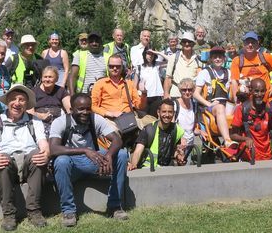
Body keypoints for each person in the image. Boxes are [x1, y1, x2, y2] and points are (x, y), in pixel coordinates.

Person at [50, 93, 129, 225]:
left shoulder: (95, 119)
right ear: (71, 110)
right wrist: (85, 150)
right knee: (61, 161)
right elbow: (53, 149)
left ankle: (115, 206)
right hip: (72, 165)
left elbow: (117, 139)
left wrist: (108, 155)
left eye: (88, 108)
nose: (85, 112)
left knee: (121, 154)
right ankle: (69, 211)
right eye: (80, 109)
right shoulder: (60, 122)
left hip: (94, 161)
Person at [0, 84, 49, 231]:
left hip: (29, 165)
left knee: (38, 155)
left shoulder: (35, 121)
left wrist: (46, 154)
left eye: (21, 99)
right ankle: (9, 214)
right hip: (8, 167)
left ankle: (34, 211)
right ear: (7, 102)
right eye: (13, 99)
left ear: (27, 103)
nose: (17, 103)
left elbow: (44, 145)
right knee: (1, 158)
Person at [230, 78, 272, 161]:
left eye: (262, 91)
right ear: (251, 91)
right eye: (256, 91)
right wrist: (245, 139)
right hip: (248, 157)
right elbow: (233, 135)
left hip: (267, 157)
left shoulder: (270, 110)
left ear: (266, 91)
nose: (259, 94)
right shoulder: (242, 109)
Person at [193, 46, 237, 147]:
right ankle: (227, 140)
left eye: (220, 57)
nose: (217, 59)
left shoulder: (228, 72)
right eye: (215, 57)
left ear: (224, 58)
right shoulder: (205, 73)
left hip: (227, 104)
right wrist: (208, 103)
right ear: (211, 59)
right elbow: (195, 93)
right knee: (220, 108)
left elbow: (234, 89)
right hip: (211, 105)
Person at [128, 99, 187, 169]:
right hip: (148, 169)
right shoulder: (149, 129)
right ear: (158, 113)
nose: (167, 115)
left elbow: (173, 151)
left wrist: (179, 157)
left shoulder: (177, 130)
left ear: (174, 113)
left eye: (170, 112)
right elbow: (138, 151)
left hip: (167, 169)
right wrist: (134, 165)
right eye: (164, 112)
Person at [230, 31, 272, 100]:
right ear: (244, 44)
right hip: (246, 100)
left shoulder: (265, 57)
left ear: (257, 44)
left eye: (253, 42)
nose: (250, 45)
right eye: (247, 42)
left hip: (266, 99)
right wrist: (237, 100)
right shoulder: (237, 60)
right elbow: (234, 82)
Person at [91, 54, 147, 120]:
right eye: (111, 66)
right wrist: (109, 113)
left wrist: (144, 94)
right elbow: (93, 106)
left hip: (128, 117)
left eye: (118, 66)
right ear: (108, 67)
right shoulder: (100, 83)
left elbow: (140, 107)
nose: (115, 68)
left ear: (122, 67)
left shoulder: (129, 84)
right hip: (108, 119)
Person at [29, 66, 71, 136]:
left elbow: (69, 108)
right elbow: (29, 111)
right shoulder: (33, 92)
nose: (47, 79)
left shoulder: (61, 91)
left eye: (50, 77)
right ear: (41, 78)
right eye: (45, 77)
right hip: (39, 124)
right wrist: (39, 115)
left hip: (58, 124)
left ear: (56, 79)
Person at [164, 32, 201, 99]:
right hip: (176, 95)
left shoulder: (198, 60)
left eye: (189, 42)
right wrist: (166, 94)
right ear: (181, 44)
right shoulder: (174, 58)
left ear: (193, 44)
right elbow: (168, 78)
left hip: (192, 96)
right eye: (184, 42)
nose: (187, 44)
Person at [133, 48, 165, 116]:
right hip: (144, 98)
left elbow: (171, 61)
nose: (150, 56)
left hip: (156, 97)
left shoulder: (157, 65)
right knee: (144, 120)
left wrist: (158, 53)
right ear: (144, 54)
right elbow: (134, 86)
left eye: (152, 54)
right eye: (148, 53)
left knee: (154, 120)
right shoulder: (139, 67)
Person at [176, 77, 200, 162]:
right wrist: (180, 138)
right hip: (178, 145)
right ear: (180, 91)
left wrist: (200, 131)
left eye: (190, 90)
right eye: (184, 90)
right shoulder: (175, 105)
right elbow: (171, 126)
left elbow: (192, 126)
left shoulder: (194, 105)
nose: (187, 92)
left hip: (190, 144)